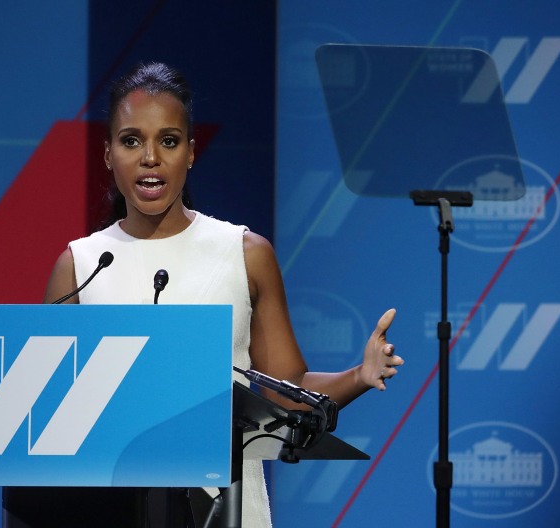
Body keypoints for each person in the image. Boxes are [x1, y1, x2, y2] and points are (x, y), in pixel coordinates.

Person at [44, 62, 404, 528]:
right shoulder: (79, 266)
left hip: (229, 510)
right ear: (109, 154)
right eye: (131, 140)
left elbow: (289, 397)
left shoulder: (244, 253)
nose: (149, 157)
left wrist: (360, 373)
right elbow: (49, 420)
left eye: (168, 141)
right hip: (108, 511)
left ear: (190, 153)